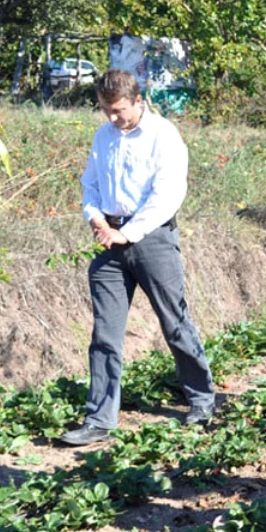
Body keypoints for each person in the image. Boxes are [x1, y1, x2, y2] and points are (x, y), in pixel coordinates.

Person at [61, 69, 216, 447]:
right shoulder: (103, 135)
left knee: (174, 321)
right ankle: (100, 419)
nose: (112, 118)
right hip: (109, 244)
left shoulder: (164, 136)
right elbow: (91, 184)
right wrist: (95, 216)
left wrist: (126, 232)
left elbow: (167, 196)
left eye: (119, 110)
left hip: (152, 239)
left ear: (138, 102)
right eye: (106, 110)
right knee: (104, 335)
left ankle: (201, 400)